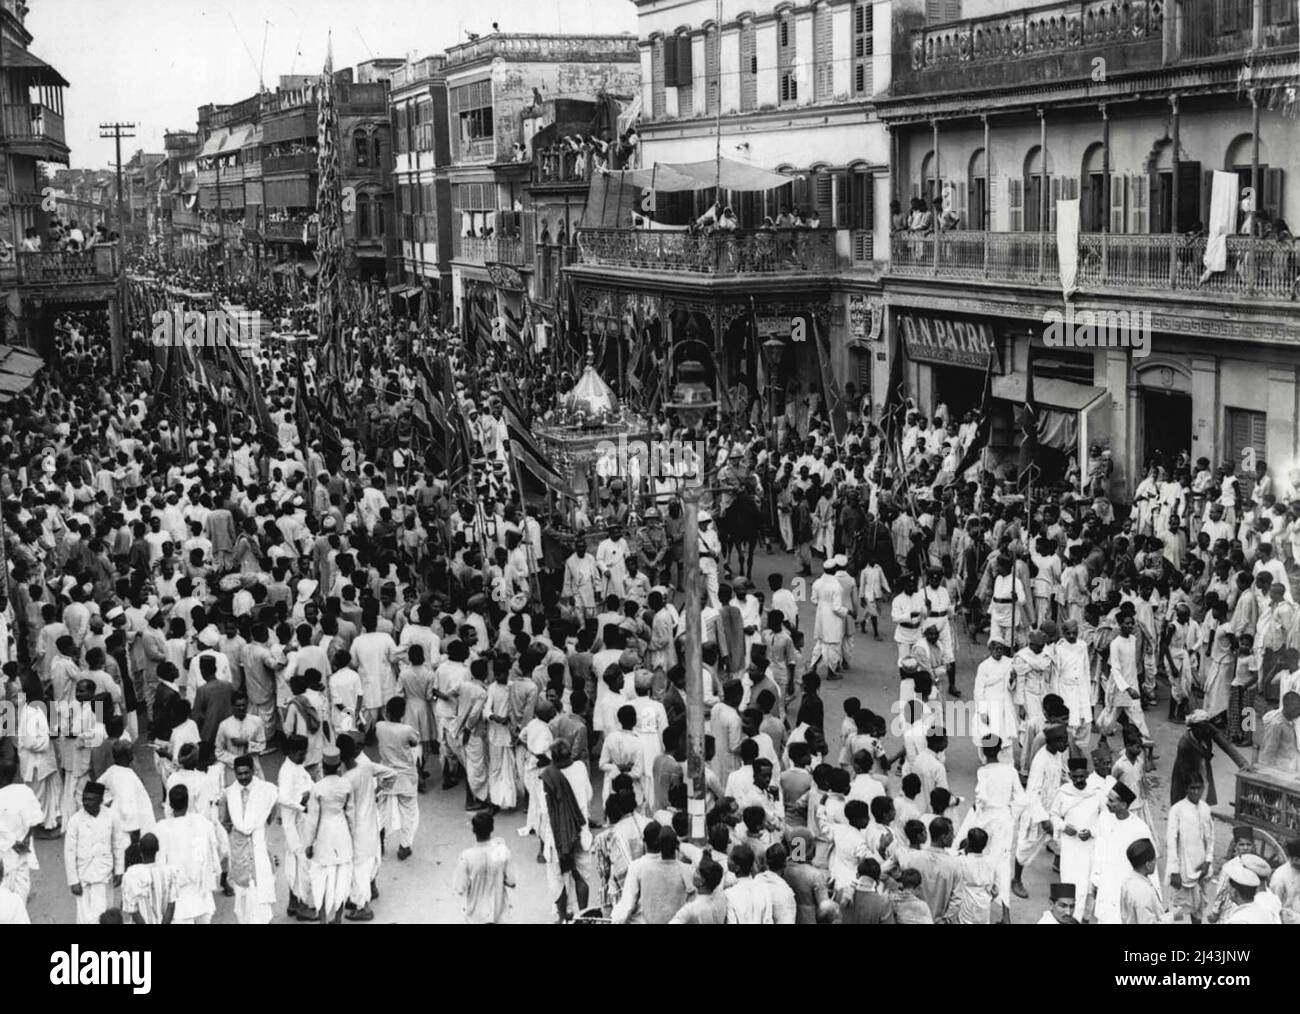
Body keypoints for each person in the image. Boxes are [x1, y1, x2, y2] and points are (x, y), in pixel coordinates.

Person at [219, 754, 280, 924]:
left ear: (253, 771)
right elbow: (226, 821)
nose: (243, 777)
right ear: (235, 773)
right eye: (239, 774)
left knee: (261, 895)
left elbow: (270, 815)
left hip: (259, 845)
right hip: (240, 850)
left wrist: (257, 831)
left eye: (246, 773)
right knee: (243, 897)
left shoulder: (265, 790)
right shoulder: (230, 793)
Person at [1087, 780, 1155, 924]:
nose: (1107, 803)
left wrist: (1150, 893)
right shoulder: (1104, 818)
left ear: (1124, 805)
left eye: (1111, 801)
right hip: (1106, 883)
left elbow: (1149, 862)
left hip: (1126, 885)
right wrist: (1095, 881)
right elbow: (1099, 850)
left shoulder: (1140, 828)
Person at [154, 783, 222, 924]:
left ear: (170, 804)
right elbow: (215, 853)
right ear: (188, 802)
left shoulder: (161, 828)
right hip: (201, 892)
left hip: (178, 896)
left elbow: (159, 863)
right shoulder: (202, 823)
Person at [304, 745, 355, 924]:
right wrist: (353, 839)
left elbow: (312, 820)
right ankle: (338, 919)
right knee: (341, 877)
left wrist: (309, 844)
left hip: (325, 834)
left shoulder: (317, 788)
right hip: (342, 833)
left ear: (323, 767)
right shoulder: (346, 785)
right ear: (339, 765)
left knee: (323, 879)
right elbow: (350, 814)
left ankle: (324, 920)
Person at [64, 781, 126, 924]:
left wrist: (119, 870)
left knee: (104, 914)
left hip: (104, 873)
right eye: (84, 799)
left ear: (100, 800)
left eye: (91, 799)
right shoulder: (75, 821)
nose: (86, 803)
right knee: (84, 917)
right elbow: (69, 852)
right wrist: (73, 881)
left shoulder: (111, 816)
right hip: (83, 875)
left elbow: (118, 843)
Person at [452, 810, 517, 924]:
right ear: (492, 829)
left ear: (473, 830)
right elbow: (511, 882)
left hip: (475, 915)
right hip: (498, 913)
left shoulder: (466, 856)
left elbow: (460, 888)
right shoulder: (502, 851)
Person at [1166, 773, 1214, 922]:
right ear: (1186, 788)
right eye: (1192, 788)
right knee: (1175, 910)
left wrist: (1208, 860)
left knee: (1198, 907)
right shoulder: (1177, 810)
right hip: (1183, 867)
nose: (1196, 792)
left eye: (1199, 788)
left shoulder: (1205, 808)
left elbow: (1211, 836)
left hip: (1200, 866)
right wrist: (1174, 871)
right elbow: (1171, 841)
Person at [118, 833, 176, 925]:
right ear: (158, 848)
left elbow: (131, 909)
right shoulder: (168, 872)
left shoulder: (131, 874)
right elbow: (171, 906)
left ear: (140, 850)